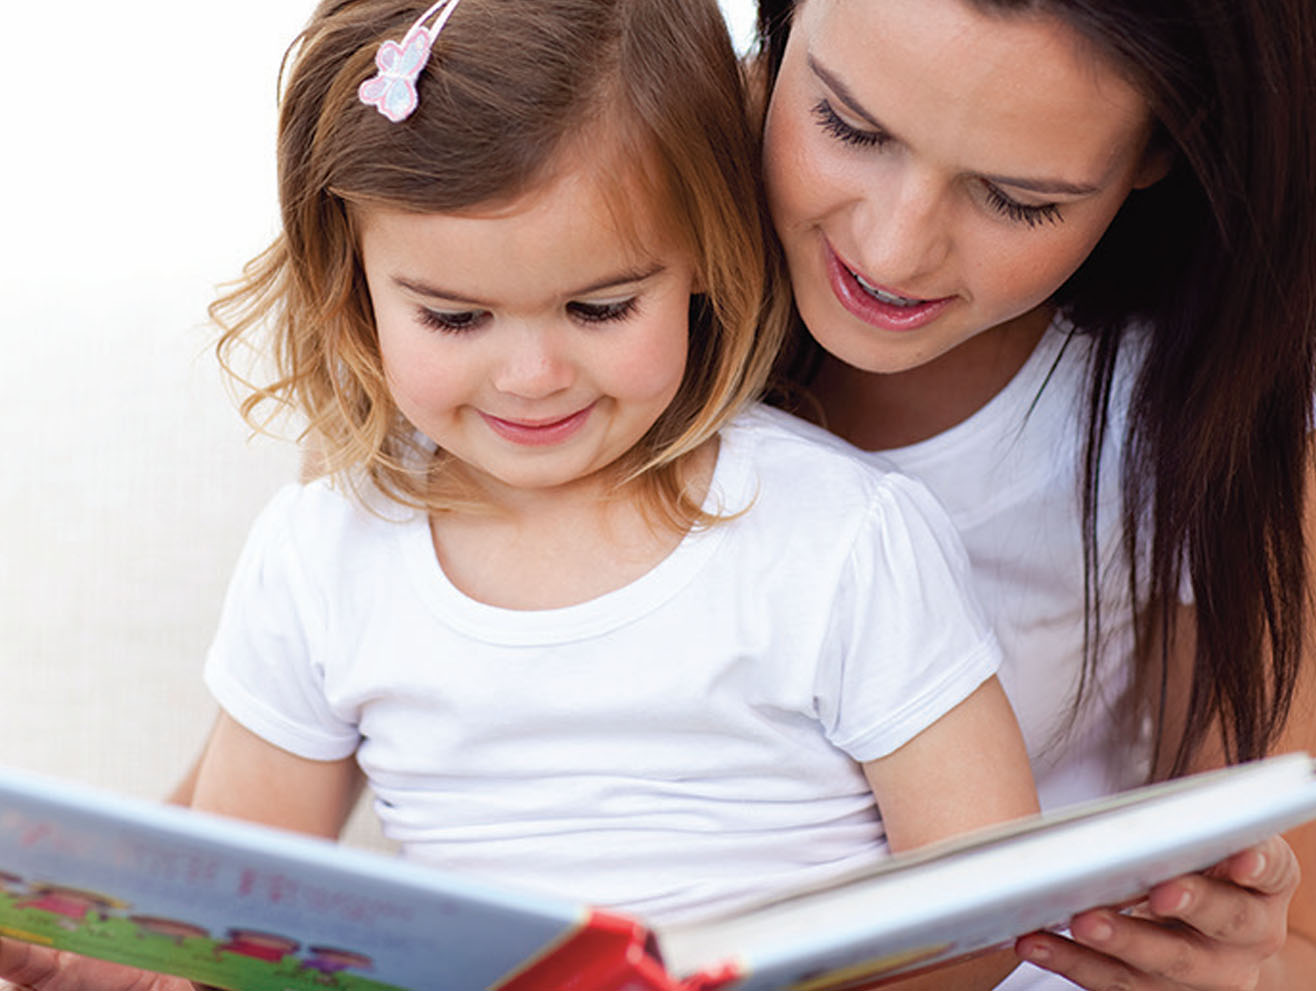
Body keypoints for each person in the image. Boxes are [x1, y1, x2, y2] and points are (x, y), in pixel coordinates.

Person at [0, 1, 1041, 989]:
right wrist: (127, 962)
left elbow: (987, 902)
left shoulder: (842, 538)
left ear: (704, 262)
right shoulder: (325, 553)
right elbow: (235, 911)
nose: (532, 375)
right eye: (454, 318)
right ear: (353, 287)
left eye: (598, 307)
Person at [754, 0, 1316, 989]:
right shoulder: (563, 227)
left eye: (1017, 199)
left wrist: (1247, 971)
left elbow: (1294, 938)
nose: (891, 250)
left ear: (1155, 155)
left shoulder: (1204, 418)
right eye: (847, 126)